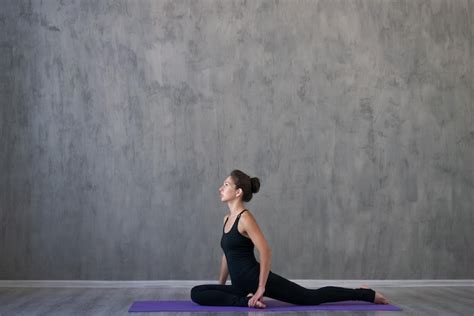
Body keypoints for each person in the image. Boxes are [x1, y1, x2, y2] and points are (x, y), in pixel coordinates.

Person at [190, 169, 389, 308]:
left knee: (309, 297)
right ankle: (246, 300)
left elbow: (266, 250)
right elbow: (227, 255)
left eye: (226, 185)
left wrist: (261, 287)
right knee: (197, 293)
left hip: (253, 278)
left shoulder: (245, 218)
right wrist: (221, 286)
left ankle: (365, 294)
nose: (220, 188)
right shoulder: (226, 219)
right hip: (240, 286)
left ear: (238, 192)